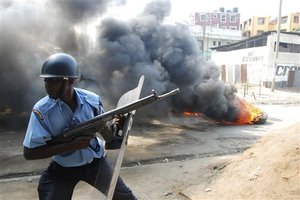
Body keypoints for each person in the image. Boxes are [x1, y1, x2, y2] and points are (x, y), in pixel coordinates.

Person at [23, 53, 137, 200]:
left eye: (53, 80)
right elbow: (29, 153)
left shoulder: (92, 100)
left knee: (126, 198)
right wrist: (70, 146)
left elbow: (106, 134)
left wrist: (115, 126)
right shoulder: (41, 110)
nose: (47, 85)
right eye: (46, 80)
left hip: (96, 163)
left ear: (69, 81)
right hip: (63, 168)